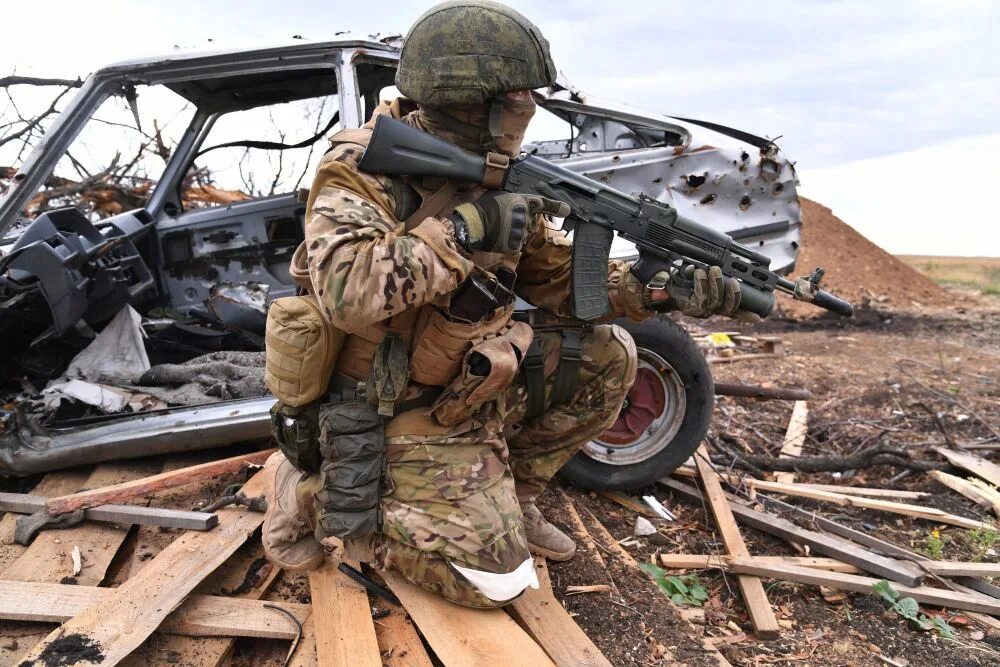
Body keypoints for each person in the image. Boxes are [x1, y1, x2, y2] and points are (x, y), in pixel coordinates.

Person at [261, 0, 746, 608]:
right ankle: (312, 489)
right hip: (383, 404)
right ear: (468, 96)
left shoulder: (500, 175)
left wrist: (656, 288)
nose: (529, 105)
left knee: (608, 354)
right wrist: (462, 231)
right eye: (517, 92)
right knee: (494, 584)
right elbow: (346, 291)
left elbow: (561, 284)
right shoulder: (363, 167)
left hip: (466, 385)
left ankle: (513, 498)